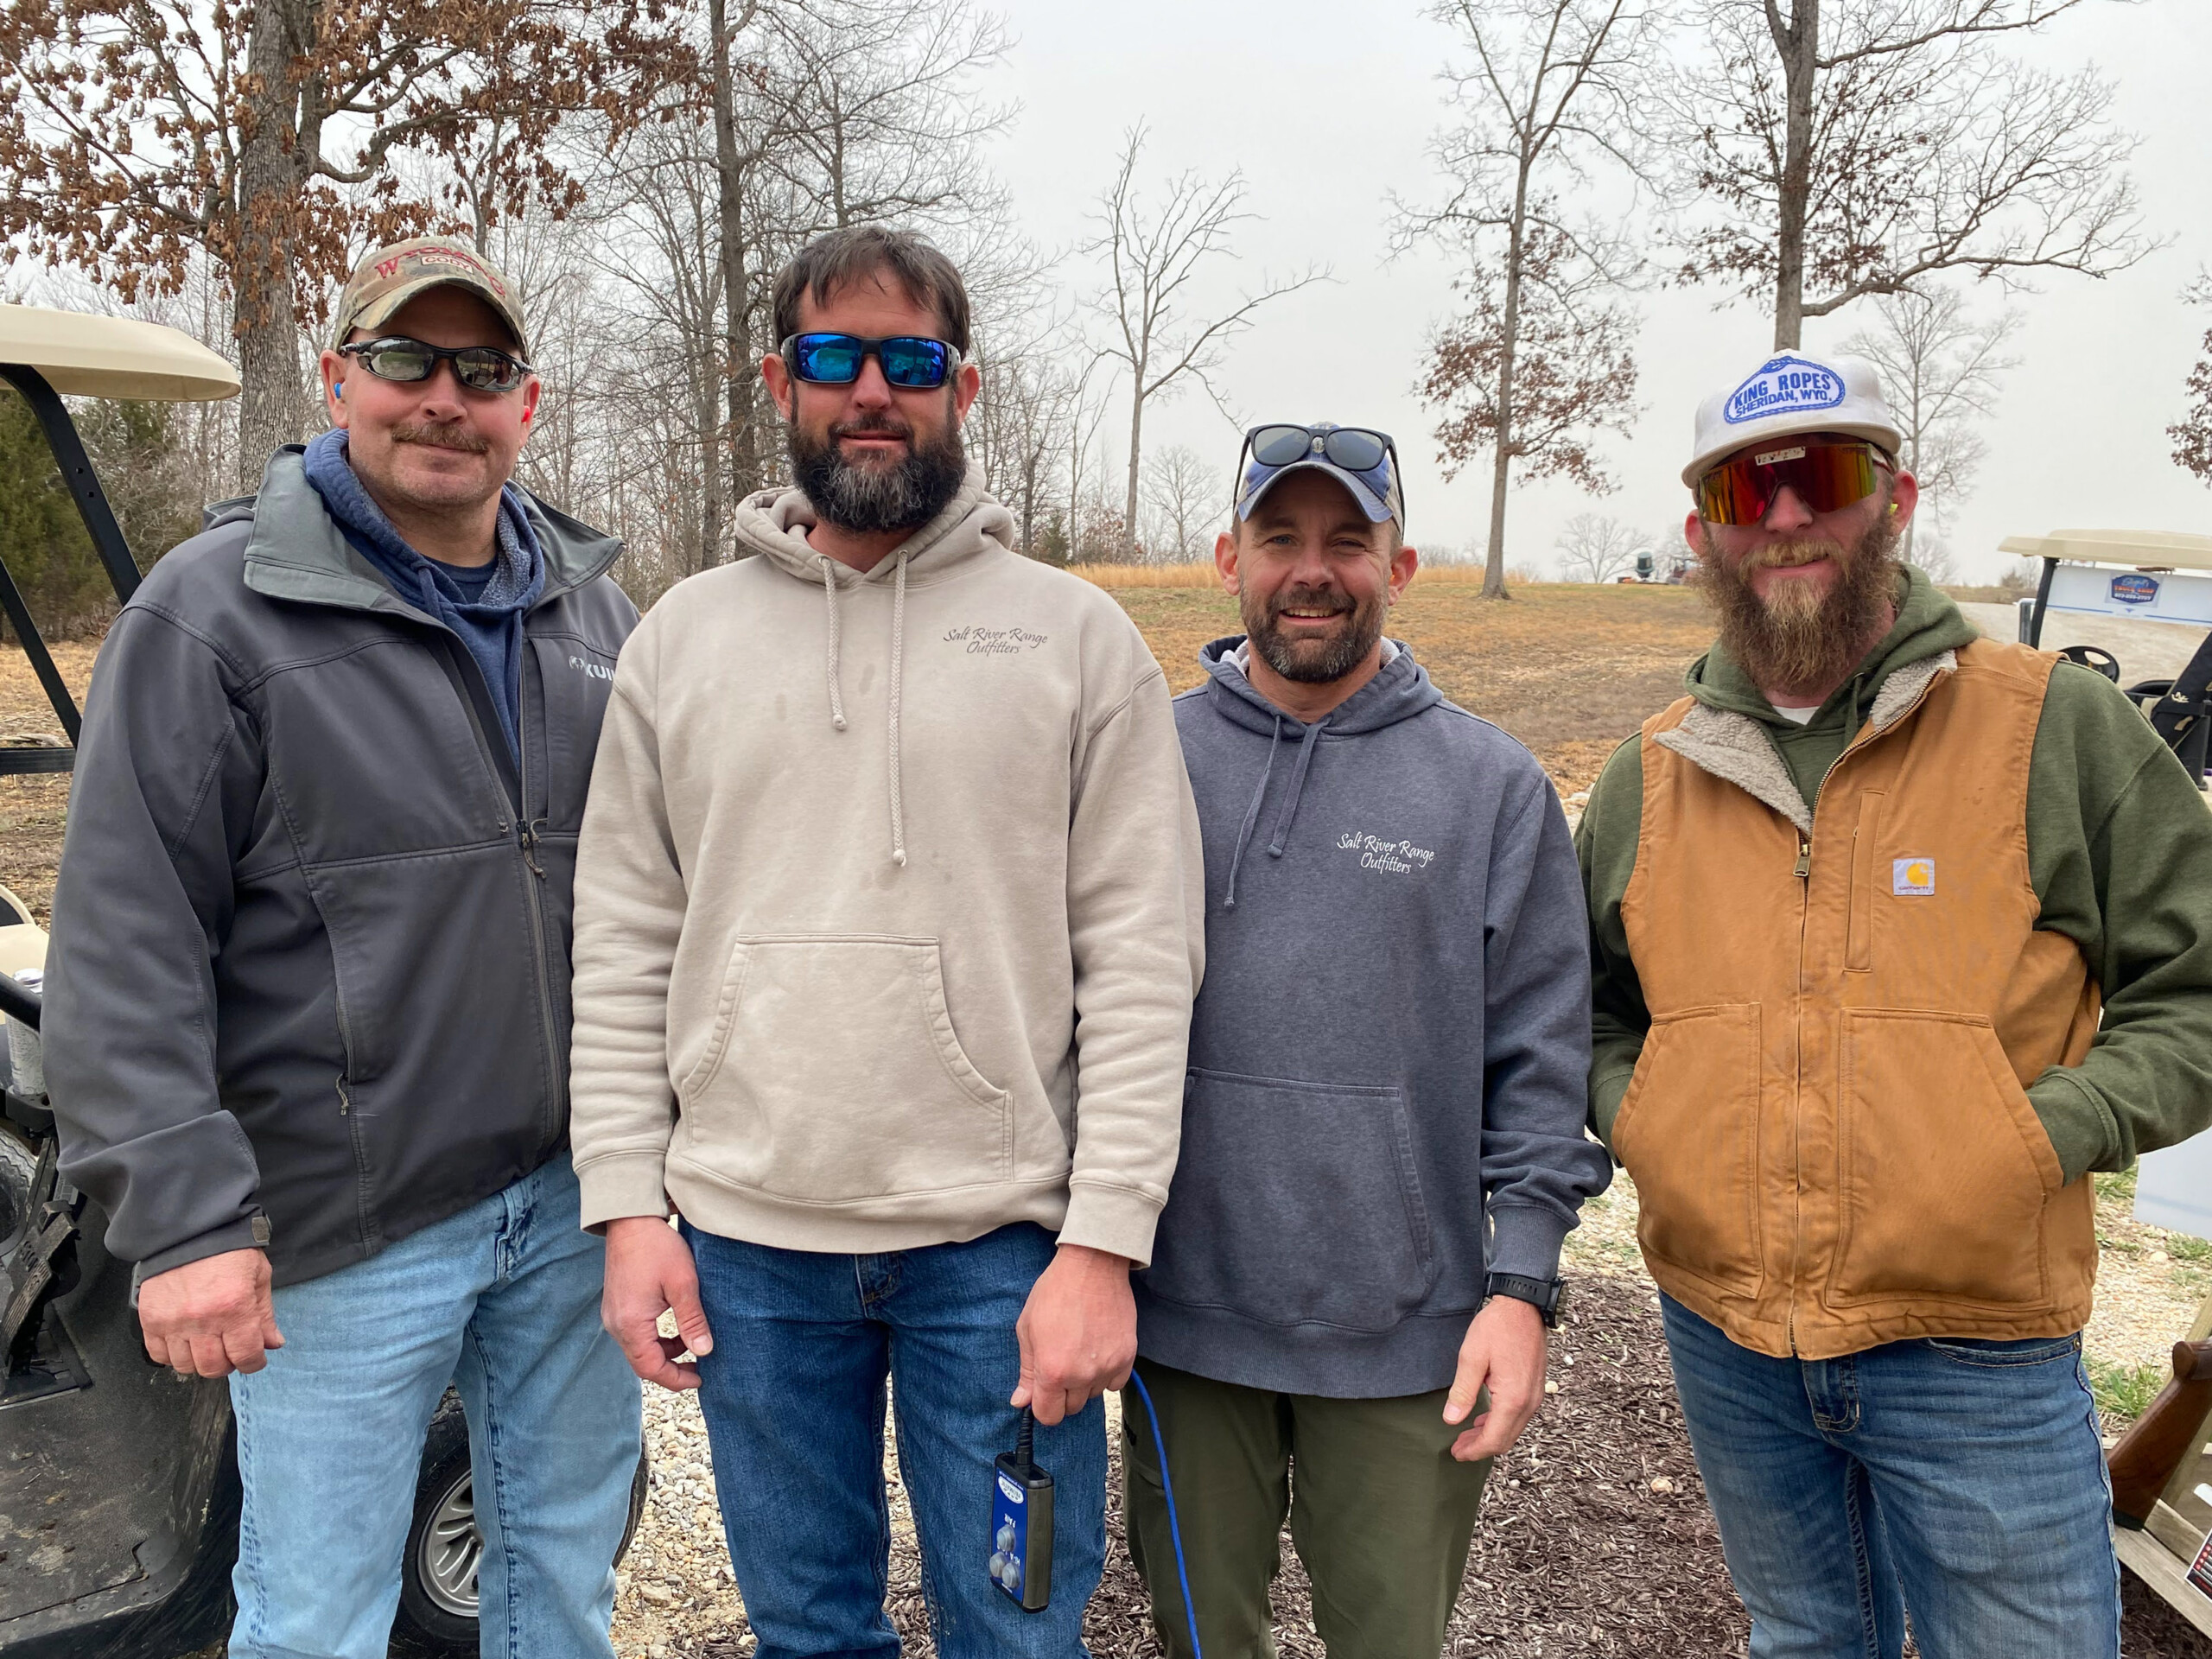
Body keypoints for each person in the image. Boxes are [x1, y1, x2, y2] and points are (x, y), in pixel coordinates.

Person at [568, 225, 1203, 1659]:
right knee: (806, 1635)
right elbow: (619, 942)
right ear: (779, 382)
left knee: (1015, 1635)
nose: (871, 390)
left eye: (910, 360)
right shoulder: (679, 641)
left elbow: (1143, 962)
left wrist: (1106, 1243)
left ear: (961, 389)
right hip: (748, 1246)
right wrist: (627, 1210)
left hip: (1000, 1252)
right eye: (833, 356)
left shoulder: (1077, 641)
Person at [41, 236, 644, 1659]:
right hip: (346, 1232)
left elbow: (656, 905)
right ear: (336, 380)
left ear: (526, 403)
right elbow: (125, 940)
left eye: (480, 370)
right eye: (404, 360)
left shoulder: (598, 617)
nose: (443, 397)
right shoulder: (211, 612)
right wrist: (185, 1219)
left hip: (574, 1213)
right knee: (316, 1619)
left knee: (562, 1589)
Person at [1577, 348, 2212, 1659]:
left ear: (1898, 498)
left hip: (1977, 1343)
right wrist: (1650, 1119)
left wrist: (2047, 1130)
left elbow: (2195, 986)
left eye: (1824, 475)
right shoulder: (1651, 774)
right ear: (1702, 534)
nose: (1787, 516)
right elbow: (1582, 1008)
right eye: (1746, 491)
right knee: (1806, 1637)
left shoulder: (2058, 730)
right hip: (1727, 1335)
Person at [1122, 423, 1610, 1658]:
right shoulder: (1143, 760)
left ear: (1401, 567)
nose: (1312, 570)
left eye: (1349, 541)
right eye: (1280, 538)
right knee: (1198, 1640)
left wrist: (1523, 1287)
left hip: (1406, 1336)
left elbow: (1542, 1062)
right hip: (1181, 1322)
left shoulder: (1492, 787)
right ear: (1228, 559)